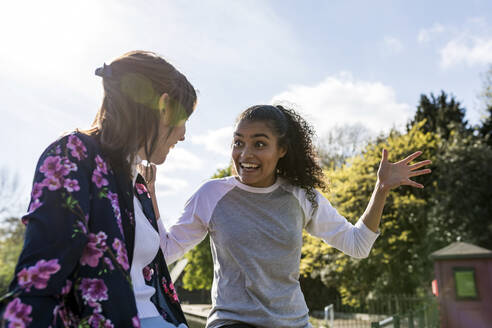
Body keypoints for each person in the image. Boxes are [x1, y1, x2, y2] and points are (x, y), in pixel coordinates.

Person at [144, 104, 432, 328]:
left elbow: (358, 245)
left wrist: (381, 189)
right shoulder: (211, 195)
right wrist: (151, 193)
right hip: (232, 322)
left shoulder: (301, 197)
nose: (245, 154)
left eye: (259, 144)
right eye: (238, 142)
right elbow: (164, 252)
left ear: (281, 150)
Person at [0, 51, 196, 328]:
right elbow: (40, 276)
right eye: (184, 117)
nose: (184, 134)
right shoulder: (72, 154)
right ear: (164, 107)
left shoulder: (137, 183)